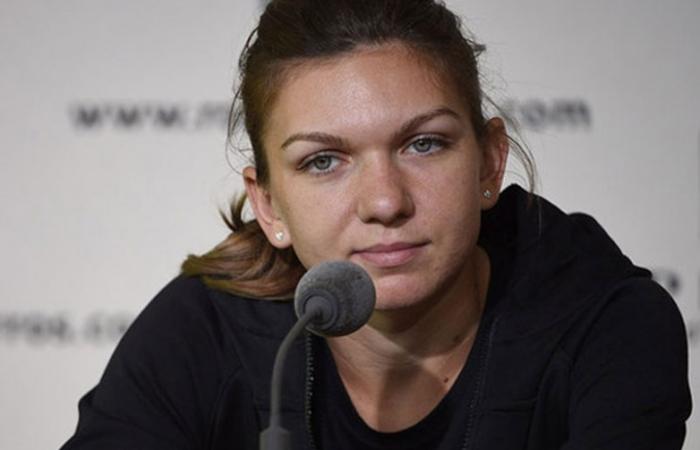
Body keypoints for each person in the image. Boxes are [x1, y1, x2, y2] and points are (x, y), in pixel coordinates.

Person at [60, 0, 691, 449]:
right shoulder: (202, 331)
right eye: (324, 161)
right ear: (269, 207)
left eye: (424, 144)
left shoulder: (605, 323)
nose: (385, 202)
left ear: (488, 163)